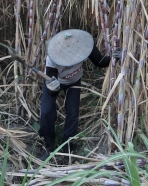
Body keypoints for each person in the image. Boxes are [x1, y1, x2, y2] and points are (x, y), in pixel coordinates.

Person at [38, 29, 120, 160]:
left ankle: (67, 147)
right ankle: (49, 147)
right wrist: (52, 88)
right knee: (46, 112)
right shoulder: (52, 57)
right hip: (54, 82)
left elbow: (99, 62)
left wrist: (113, 58)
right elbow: (51, 89)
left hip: (74, 81)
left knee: (72, 111)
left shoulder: (85, 46)